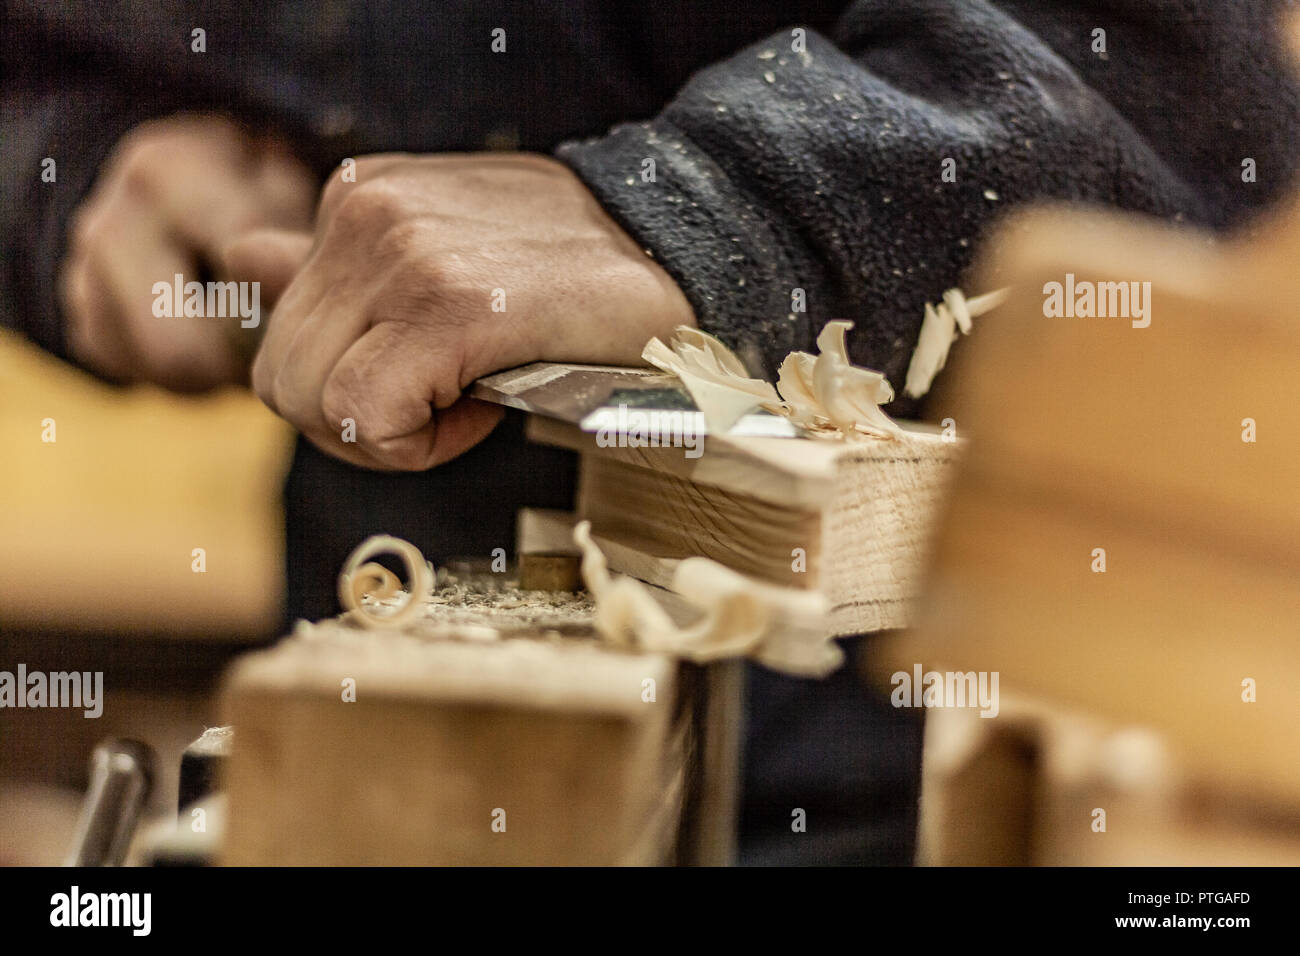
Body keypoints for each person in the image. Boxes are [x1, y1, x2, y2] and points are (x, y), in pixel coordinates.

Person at [5, 0, 1298, 864]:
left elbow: (1162, 68)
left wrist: (710, 207)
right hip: (420, 656)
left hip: (933, 716)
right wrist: (72, 160)